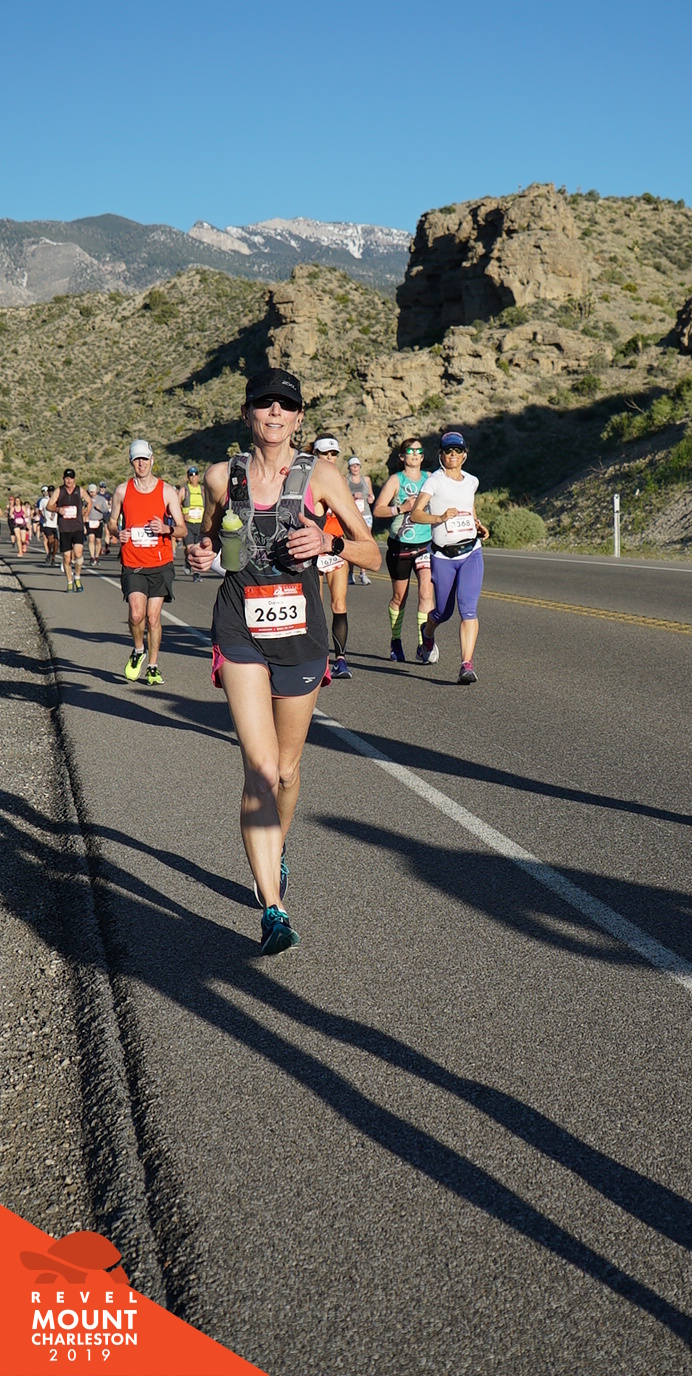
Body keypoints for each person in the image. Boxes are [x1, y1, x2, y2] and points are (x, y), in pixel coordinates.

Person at [188, 369, 380, 957]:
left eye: (285, 405)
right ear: (247, 412)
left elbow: (373, 552)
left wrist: (329, 543)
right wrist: (199, 553)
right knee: (262, 769)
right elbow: (207, 541)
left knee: (289, 772)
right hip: (239, 627)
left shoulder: (321, 476)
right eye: (264, 403)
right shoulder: (221, 477)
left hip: (301, 635)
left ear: (298, 417)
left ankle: (276, 849)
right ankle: (273, 908)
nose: (274, 413)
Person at [410, 429, 489, 685]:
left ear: (464, 455)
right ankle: (427, 632)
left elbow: (469, 506)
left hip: (471, 552)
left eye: (457, 450)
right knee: (443, 612)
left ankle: (466, 664)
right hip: (443, 556)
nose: (453, 454)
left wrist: (477, 524)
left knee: (469, 609)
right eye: (448, 451)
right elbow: (415, 514)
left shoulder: (472, 481)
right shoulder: (434, 482)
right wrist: (440, 518)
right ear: (441, 455)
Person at [108, 439, 187, 685]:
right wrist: (117, 532)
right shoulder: (122, 491)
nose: (141, 463)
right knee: (136, 614)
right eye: (137, 459)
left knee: (153, 618)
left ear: (152, 460)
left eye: (145, 459)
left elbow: (182, 529)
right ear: (131, 462)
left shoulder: (167, 491)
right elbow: (112, 522)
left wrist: (166, 528)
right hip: (133, 563)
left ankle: (153, 666)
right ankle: (138, 650)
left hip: (160, 564)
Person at [372, 436, 435, 662]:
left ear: (423, 456)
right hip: (400, 545)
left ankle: (423, 644)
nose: (415, 454)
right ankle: (396, 640)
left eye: (418, 451)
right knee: (400, 597)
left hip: (425, 544)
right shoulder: (395, 480)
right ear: (402, 456)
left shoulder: (430, 478)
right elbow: (378, 510)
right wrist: (401, 508)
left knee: (426, 592)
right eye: (410, 451)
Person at [312, 433, 353, 678]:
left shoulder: (342, 482)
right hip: (313, 550)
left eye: (333, 454)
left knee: (339, 603)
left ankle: (341, 660)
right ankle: (320, 658)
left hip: (336, 548)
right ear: (314, 454)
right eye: (324, 453)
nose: (329, 458)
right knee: (315, 606)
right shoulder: (306, 480)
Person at [47, 470, 91, 590]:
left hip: (77, 527)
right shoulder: (59, 491)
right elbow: (49, 506)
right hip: (64, 528)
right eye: (67, 478)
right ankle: (69, 582)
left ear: (74, 479)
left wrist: (86, 514)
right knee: (67, 557)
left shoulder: (79, 490)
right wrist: (58, 509)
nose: (69, 481)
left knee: (78, 553)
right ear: (63, 479)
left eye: (71, 478)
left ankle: (77, 577)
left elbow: (89, 502)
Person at [346, 457, 375, 585]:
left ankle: (363, 573)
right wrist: (352, 497)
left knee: (365, 542)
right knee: (353, 543)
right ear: (349, 467)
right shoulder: (346, 481)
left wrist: (371, 498)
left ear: (360, 467)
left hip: (366, 514)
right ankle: (350, 573)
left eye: (357, 465)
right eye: (353, 465)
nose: (355, 468)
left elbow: (371, 495)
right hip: (352, 515)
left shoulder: (366, 480)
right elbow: (342, 497)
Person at [177, 466, 205, 580]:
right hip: (188, 524)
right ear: (188, 478)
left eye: (195, 475)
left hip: (200, 523)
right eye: (191, 476)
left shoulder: (203, 490)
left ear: (198, 477)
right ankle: (188, 561)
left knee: (197, 549)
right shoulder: (184, 490)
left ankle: (196, 573)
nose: (193, 477)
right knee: (189, 548)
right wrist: (182, 515)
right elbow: (176, 504)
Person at [86, 483, 111, 565]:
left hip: (98, 521)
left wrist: (99, 509)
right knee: (91, 539)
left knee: (98, 540)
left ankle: (97, 556)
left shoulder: (101, 499)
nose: (91, 494)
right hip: (90, 521)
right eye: (90, 492)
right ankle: (92, 557)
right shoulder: (87, 499)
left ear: (96, 491)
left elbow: (106, 510)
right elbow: (83, 509)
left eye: (93, 492)